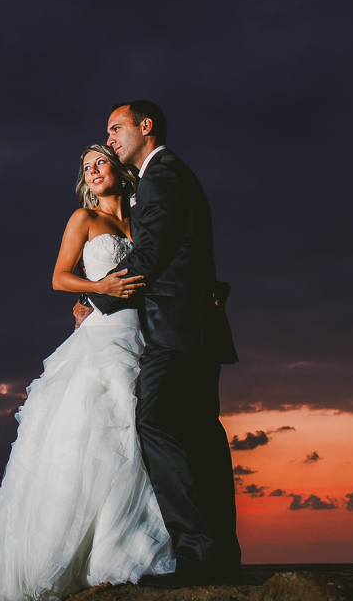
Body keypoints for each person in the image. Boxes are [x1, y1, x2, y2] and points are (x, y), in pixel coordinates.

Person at [0, 144, 175, 601]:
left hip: (145, 337)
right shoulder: (83, 219)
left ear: (120, 170)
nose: (92, 172)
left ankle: (123, 551)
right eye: (86, 167)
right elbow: (58, 277)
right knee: (94, 440)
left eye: (101, 163)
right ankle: (72, 560)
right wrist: (97, 288)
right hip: (101, 338)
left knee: (139, 438)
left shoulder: (141, 220)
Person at [86, 100, 241, 587]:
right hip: (196, 329)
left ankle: (197, 555)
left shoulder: (161, 176)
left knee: (154, 422)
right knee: (201, 439)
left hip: (175, 331)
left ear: (145, 126)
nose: (109, 138)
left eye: (116, 128)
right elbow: (188, 253)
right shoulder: (172, 175)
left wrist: (98, 301)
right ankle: (219, 559)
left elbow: (152, 253)